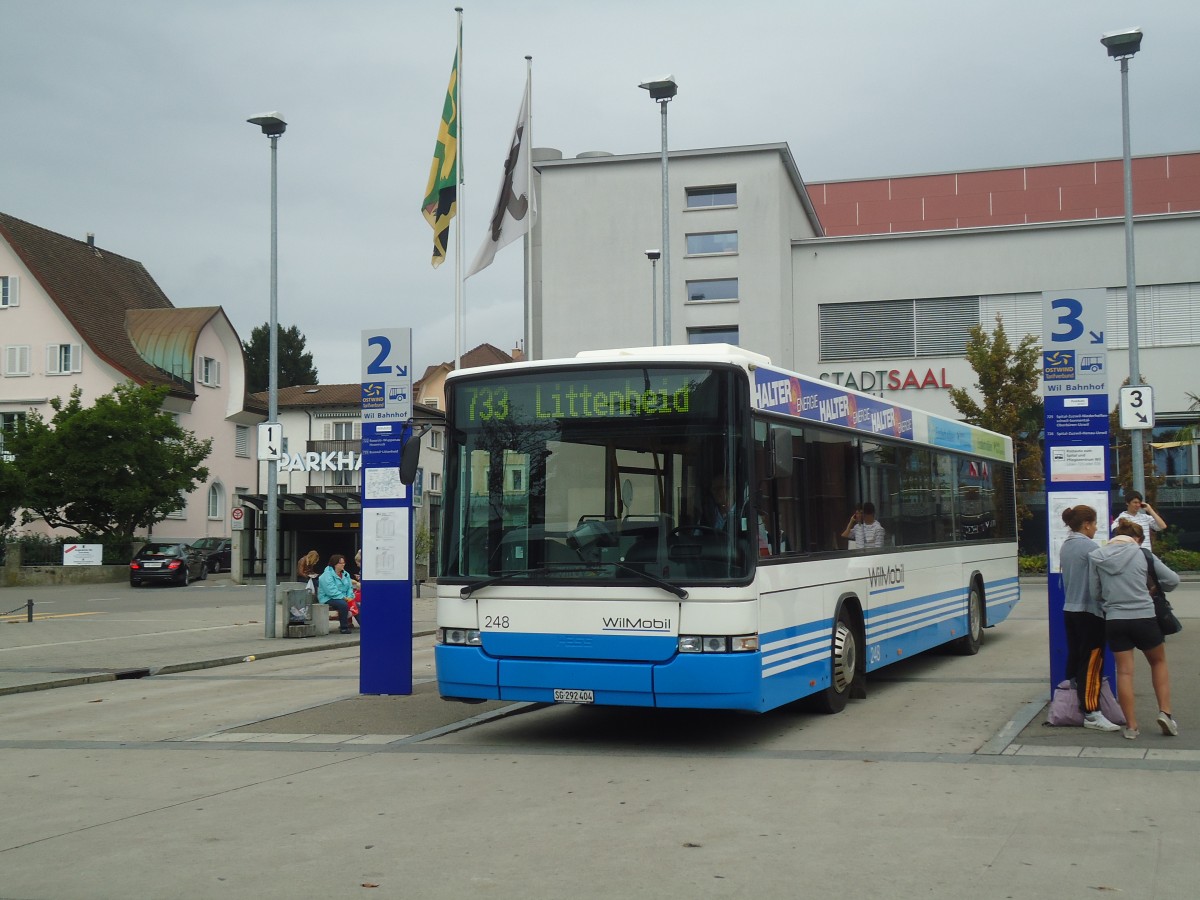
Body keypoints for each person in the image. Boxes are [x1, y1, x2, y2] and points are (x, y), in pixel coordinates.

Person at [1088, 519, 1181, 739]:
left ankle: (1131, 726)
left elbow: (1095, 594)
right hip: (1144, 618)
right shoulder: (1143, 554)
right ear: (1136, 539)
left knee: (1125, 672)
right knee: (1158, 662)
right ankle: (1165, 714)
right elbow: (1173, 580)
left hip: (1115, 620)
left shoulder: (1099, 557)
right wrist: (1153, 586)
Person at [1058, 505, 1119, 731]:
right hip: (1090, 611)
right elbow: (1106, 574)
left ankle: (1076, 705)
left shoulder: (1066, 546)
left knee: (1076, 658)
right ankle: (1092, 713)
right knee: (1093, 662)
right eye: (1094, 524)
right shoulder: (1090, 547)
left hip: (1070, 609)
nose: (1096, 528)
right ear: (1086, 524)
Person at [317, 553, 355, 634]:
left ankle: (365, 626)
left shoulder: (345, 574)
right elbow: (331, 591)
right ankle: (344, 627)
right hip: (328, 598)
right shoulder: (326, 575)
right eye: (340, 563)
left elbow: (350, 587)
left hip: (343, 597)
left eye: (343, 563)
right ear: (334, 564)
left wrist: (350, 596)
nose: (343, 565)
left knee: (356, 604)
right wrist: (344, 598)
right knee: (343, 604)